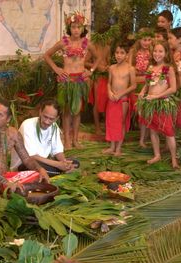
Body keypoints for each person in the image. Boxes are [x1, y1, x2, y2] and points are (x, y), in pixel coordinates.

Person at [0, 99, 49, 195]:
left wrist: (40, 169)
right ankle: (9, 188)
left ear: (8, 119)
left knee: (36, 175)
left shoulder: (14, 133)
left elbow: (26, 159)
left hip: (5, 176)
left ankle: (9, 188)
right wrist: (6, 182)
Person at [44, 11, 99, 149]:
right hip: (66, 79)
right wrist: (56, 69)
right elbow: (47, 55)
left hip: (80, 79)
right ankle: (67, 141)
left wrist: (90, 71)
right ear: (69, 28)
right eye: (73, 27)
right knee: (67, 111)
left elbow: (98, 58)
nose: (76, 30)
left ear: (83, 29)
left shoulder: (87, 43)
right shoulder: (63, 42)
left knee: (77, 111)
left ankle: (76, 140)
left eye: (79, 27)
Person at [12, 98, 79, 176]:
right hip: (26, 164)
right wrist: (58, 165)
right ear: (40, 112)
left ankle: (62, 170)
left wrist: (64, 162)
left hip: (44, 162)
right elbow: (31, 157)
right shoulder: (27, 125)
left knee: (75, 163)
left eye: (51, 119)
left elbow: (57, 151)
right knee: (44, 169)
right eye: (45, 117)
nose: (47, 121)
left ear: (56, 118)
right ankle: (60, 171)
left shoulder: (54, 127)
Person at [138, 41, 178, 168]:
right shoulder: (151, 68)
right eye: (155, 51)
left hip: (162, 103)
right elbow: (147, 83)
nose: (157, 54)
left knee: (168, 131)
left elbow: (173, 89)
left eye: (160, 51)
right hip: (150, 104)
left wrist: (157, 96)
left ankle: (174, 159)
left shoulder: (169, 69)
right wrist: (142, 91)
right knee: (153, 130)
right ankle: (157, 155)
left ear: (166, 53)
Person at [103, 42, 136, 156]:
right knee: (111, 122)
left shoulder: (130, 69)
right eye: (117, 53)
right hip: (112, 99)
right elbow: (109, 83)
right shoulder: (112, 68)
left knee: (120, 123)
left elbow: (133, 86)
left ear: (127, 55)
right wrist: (109, 92)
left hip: (123, 100)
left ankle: (118, 148)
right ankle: (112, 146)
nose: (119, 55)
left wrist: (121, 94)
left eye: (122, 53)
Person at [128, 28, 154, 147]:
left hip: (149, 85)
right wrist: (137, 73)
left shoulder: (153, 51)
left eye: (149, 40)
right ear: (139, 39)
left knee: (148, 112)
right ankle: (141, 138)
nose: (146, 42)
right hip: (136, 85)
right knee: (139, 111)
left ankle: (147, 137)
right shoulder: (134, 51)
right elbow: (129, 68)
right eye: (144, 40)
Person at [86, 36, 111, 135]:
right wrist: (97, 67)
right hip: (97, 77)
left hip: (106, 76)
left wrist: (107, 67)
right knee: (97, 102)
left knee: (106, 101)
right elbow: (85, 62)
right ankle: (97, 127)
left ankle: (106, 126)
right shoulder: (93, 47)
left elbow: (107, 61)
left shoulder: (108, 47)